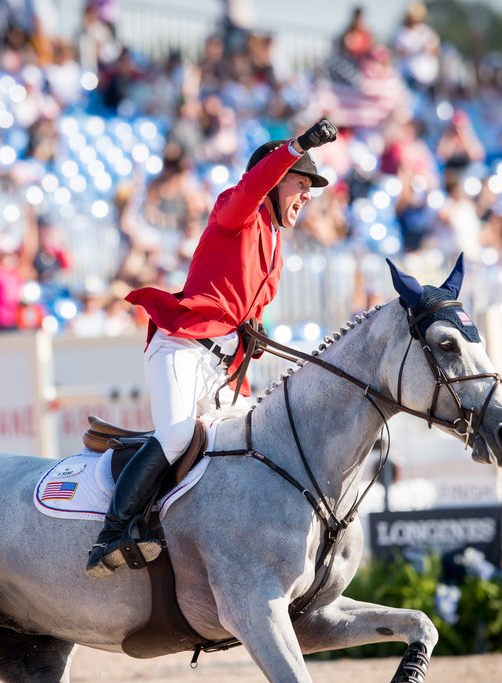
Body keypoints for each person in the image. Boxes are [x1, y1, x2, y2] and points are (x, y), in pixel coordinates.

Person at [85, 117, 338, 578]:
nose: (306, 196)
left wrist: (251, 331)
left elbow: (244, 309)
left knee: (254, 444)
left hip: (220, 368)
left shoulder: (275, 246)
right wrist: (297, 144)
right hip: (182, 347)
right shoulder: (237, 209)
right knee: (178, 435)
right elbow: (251, 187)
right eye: (301, 184)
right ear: (276, 181)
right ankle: (112, 534)